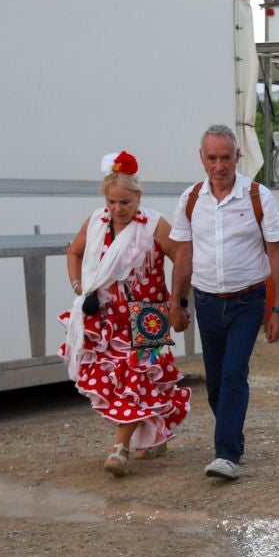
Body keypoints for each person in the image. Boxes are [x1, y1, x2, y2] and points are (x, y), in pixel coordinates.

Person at [61, 151, 192, 477]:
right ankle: (154, 434)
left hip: (148, 316)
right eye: (112, 202)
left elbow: (183, 256)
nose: (118, 209)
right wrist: (80, 287)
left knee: (138, 378)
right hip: (106, 317)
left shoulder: (155, 225)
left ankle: (120, 448)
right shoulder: (96, 223)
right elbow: (74, 251)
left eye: (125, 202)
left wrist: (178, 302)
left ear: (139, 197)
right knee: (118, 382)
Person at [168, 124, 279, 480]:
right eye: (212, 158)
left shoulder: (257, 196)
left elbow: (276, 254)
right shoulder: (191, 200)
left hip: (247, 300)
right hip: (206, 301)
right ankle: (233, 437)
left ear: (238, 156)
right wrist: (177, 302)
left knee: (235, 373)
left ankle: (227, 454)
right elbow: (183, 254)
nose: (219, 166)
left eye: (225, 157)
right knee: (216, 383)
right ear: (201, 158)